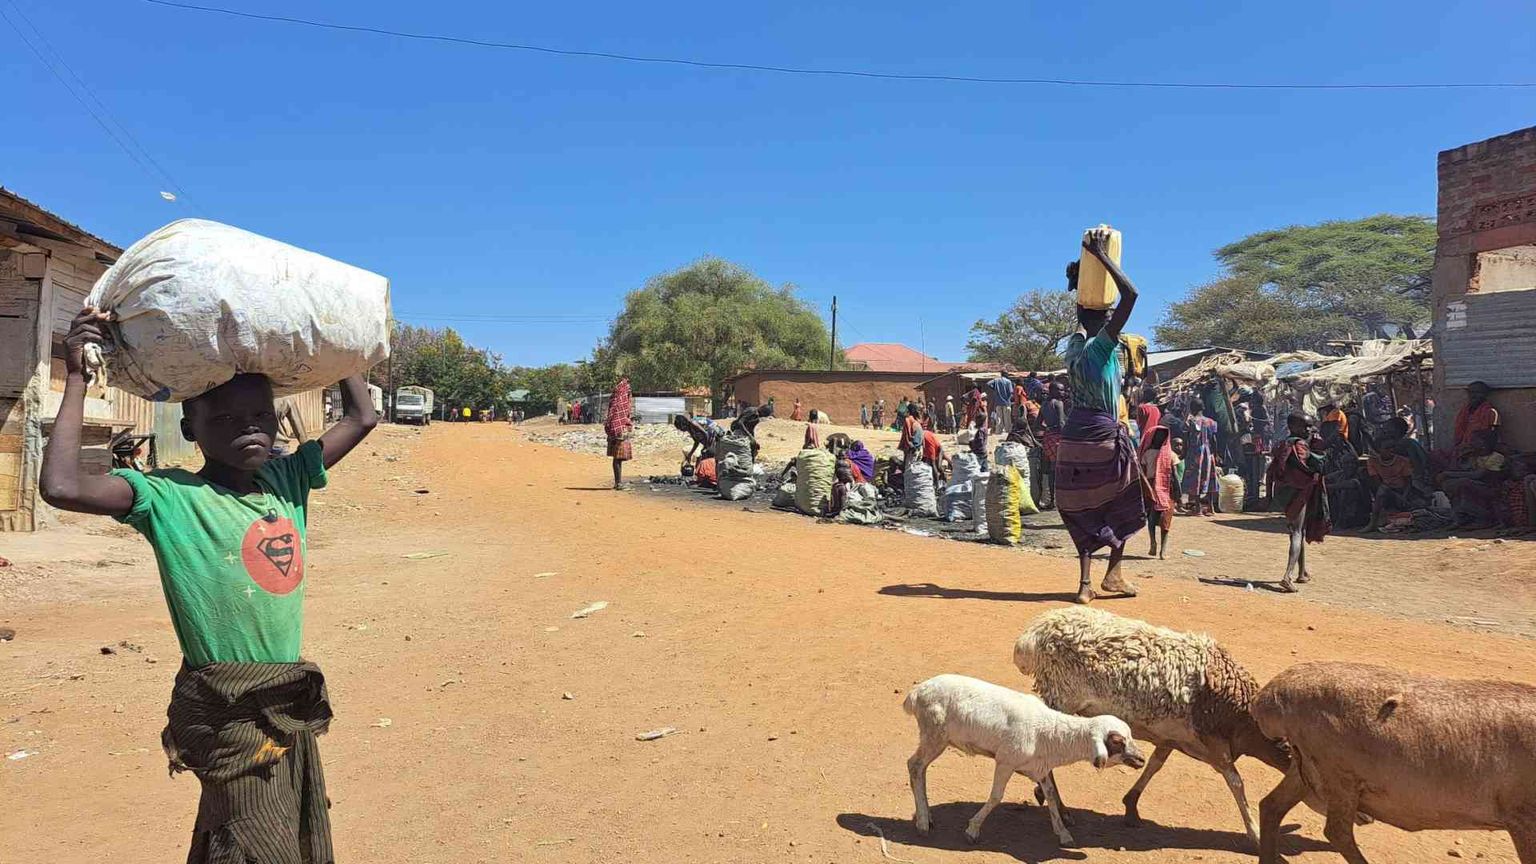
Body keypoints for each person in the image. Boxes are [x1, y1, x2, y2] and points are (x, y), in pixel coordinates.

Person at [40, 307, 378, 863]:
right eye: (224, 420)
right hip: (225, 706)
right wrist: (77, 375)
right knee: (255, 843)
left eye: (260, 416)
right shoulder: (168, 497)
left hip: (283, 698)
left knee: (248, 834)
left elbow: (361, 418)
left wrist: (340, 346)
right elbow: (61, 484)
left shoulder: (287, 481)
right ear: (189, 429)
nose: (248, 428)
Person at [1054, 229, 1144, 604]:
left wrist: (1078, 280)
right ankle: (1114, 575)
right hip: (1102, 437)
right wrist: (1104, 258)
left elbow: (1081, 317)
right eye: (1110, 316)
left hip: (1072, 438)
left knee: (1083, 506)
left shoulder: (1075, 349)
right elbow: (1132, 296)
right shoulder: (1103, 348)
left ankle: (1085, 585)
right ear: (1107, 321)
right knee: (1124, 499)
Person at [1267, 414, 1329, 592]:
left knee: (1299, 530)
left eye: (1310, 427)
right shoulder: (1299, 445)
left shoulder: (1283, 444)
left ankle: (1302, 572)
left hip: (1286, 491)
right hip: (1298, 491)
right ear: (1293, 426)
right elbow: (1311, 465)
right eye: (1305, 427)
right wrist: (1318, 451)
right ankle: (1287, 576)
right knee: (1296, 532)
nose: (1308, 430)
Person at [1364, 418, 1431, 533]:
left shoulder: (1408, 445)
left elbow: (1419, 468)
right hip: (1389, 486)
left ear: (1397, 430)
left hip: (1410, 485)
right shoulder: (1380, 454)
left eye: (1388, 428)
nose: (1385, 430)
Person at [1441, 429, 1508, 527]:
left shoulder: (1496, 457)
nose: (1471, 443)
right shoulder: (1474, 457)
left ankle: (1482, 518)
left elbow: (1478, 475)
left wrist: (1448, 473)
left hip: (1492, 487)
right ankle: (1460, 517)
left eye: (1474, 440)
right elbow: (1463, 470)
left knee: (1463, 483)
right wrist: (1461, 458)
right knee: (1449, 484)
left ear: (1484, 443)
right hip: (1477, 484)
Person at [1319, 419, 1365, 530]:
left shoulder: (1346, 449)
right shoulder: (1328, 452)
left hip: (1356, 511)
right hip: (1335, 488)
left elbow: (1347, 481)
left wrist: (1325, 487)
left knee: (1343, 490)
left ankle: (1342, 520)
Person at [1139, 425, 1176, 559]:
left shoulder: (1148, 454)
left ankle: (1155, 545)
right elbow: (1175, 475)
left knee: (1154, 518)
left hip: (1156, 488)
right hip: (1164, 489)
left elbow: (1142, 472)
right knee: (1164, 519)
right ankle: (1161, 549)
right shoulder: (1170, 454)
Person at [1182, 401, 1219, 516]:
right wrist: (1215, 453)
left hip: (1195, 453)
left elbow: (1186, 439)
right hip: (1208, 452)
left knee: (1196, 478)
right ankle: (1210, 508)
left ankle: (1197, 508)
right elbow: (1214, 440)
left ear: (1192, 409)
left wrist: (1184, 453)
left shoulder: (1190, 422)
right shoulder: (1211, 422)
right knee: (1210, 477)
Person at [1038, 381, 1066, 509]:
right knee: (1061, 469)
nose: (1063, 392)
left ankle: (1052, 500)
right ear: (1053, 390)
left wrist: (1048, 428)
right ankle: (1061, 499)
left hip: (1048, 438)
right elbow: (1061, 423)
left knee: (1051, 469)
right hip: (1058, 438)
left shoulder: (1044, 405)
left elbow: (1037, 424)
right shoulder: (1058, 403)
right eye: (1060, 390)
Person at [1453, 381, 1498, 455]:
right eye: (1471, 392)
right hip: (1463, 450)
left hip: (1480, 451)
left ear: (1485, 395)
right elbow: (1459, 433)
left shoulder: (1491, 412)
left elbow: (1492, 437)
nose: (1473, 396)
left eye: (1478, 393)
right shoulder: (1464, 411)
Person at [606, 378, 635, 490]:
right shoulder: (621, 400)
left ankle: (618, 482)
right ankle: (618, 483)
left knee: (618, 458)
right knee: (618, 457)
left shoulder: (616, 396)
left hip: (615, 428)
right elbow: (618, 413)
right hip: (619, 430)